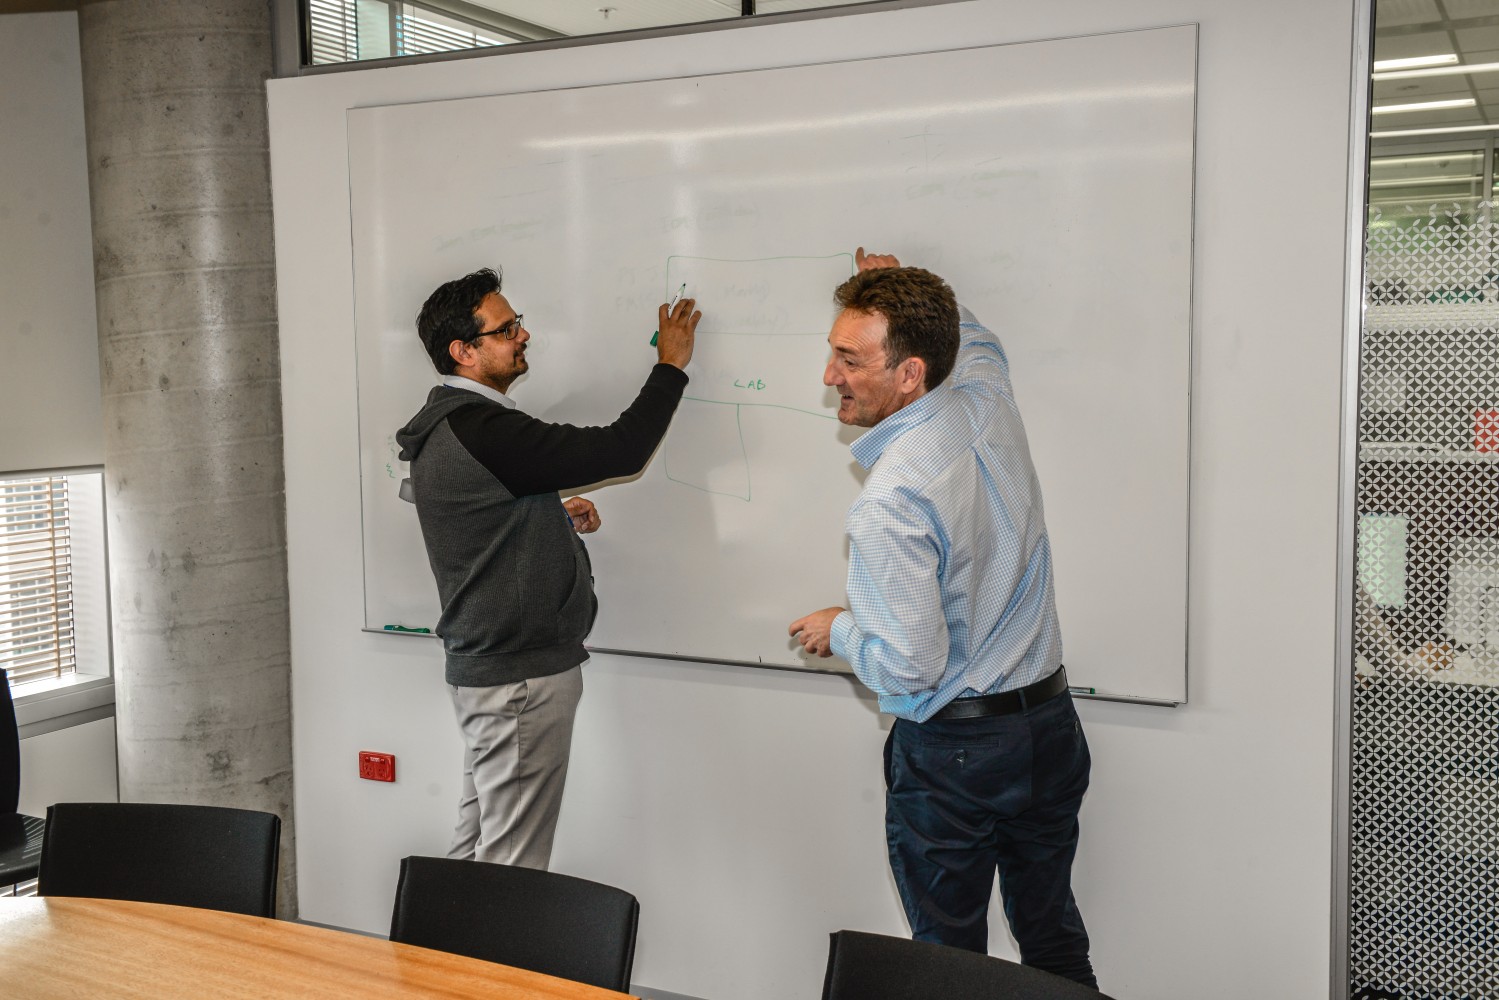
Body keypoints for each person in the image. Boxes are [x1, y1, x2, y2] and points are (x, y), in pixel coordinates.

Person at [789, 249, 1096, 988]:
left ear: (910, 373)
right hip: (1047, 729)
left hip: (956, 754)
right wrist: (909, 285)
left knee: (948, 965)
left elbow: (907, 665)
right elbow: (980, 343)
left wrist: (839, 629)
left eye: (847, 359)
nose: (829, 376)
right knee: (1050, 935)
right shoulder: (985, 398)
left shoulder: (891, 500)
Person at [396, 267, 700, 869]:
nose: (523, 334)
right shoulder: (484, 427)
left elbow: (478, 517)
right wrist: (671, 367)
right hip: (518, 680)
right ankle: (479, 965)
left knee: (475, 849)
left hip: (496, 671)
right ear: (464, 351)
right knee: (513, 866)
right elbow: (622, 449)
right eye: (506, 328)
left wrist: (547, 514)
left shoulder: (449, 427)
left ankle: (432, 956)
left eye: (517, 322)